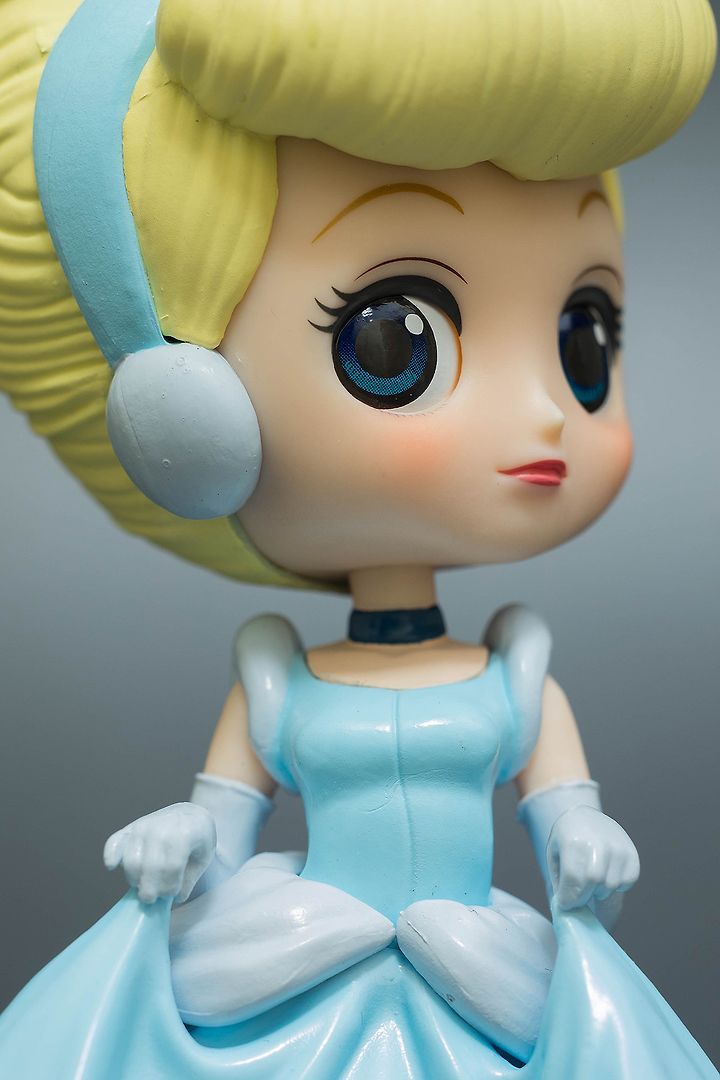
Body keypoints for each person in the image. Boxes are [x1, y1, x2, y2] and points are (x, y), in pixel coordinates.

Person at [0, 0, 716, 1076]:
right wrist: (179, 839)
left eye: (583, 335)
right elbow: (219, 831)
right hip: (296, 956)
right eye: (394, 338)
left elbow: (569, 821)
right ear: (185, 410)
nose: (544, 415)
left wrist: (586, 839)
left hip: (481, 965)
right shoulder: (274, 682)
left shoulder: (521, 679)